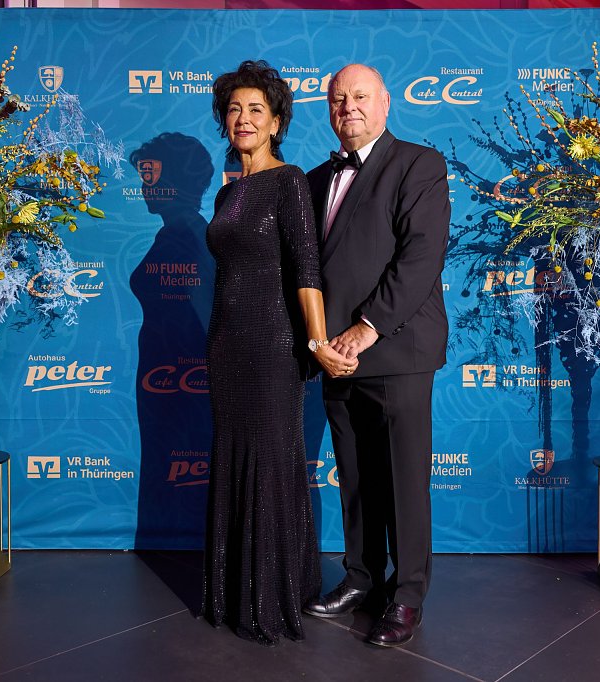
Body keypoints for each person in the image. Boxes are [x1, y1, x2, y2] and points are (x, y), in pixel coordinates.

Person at [200, 60, 357, 645]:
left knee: (271, 462)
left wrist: (316, 341)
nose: (243, 118)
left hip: (273, 346)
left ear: (275, 123)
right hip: (226, 344)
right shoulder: (227, 192)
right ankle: (232, 591)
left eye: (255, 110)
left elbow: (306, 269)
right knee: (234, 457)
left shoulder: (288, 182)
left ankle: (272, 595)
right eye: (234, 109)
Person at [303, 63, 450, 648]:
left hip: (396, 348)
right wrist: (320, 343)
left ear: (386, 103)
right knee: (356, 477)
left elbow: (420, 258)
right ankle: (361, 577)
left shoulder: (418, 164)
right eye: (338, 99)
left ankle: (407, 595)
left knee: (404, 481)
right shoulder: (315, 179)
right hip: (335, 357)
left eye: (360, 96)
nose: (349, 108)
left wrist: (365, 330)